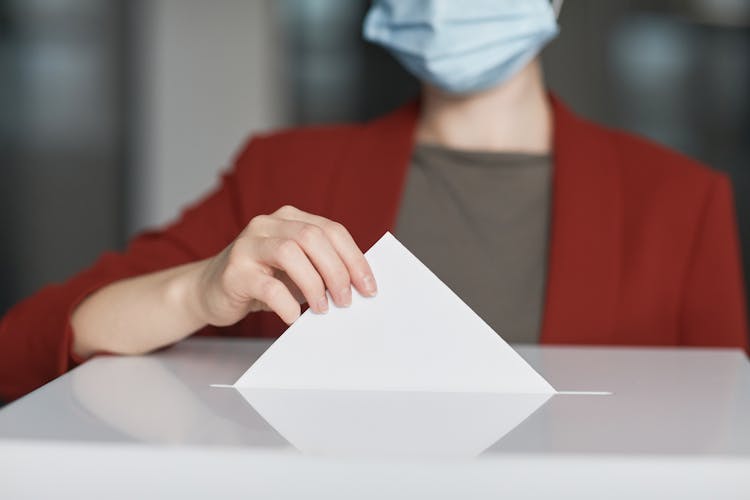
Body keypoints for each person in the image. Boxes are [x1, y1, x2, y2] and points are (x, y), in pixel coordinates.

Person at [0, 0, 747, 402]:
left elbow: (726, 454)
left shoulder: (681, 202)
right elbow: (25, 350)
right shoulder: (283, 171)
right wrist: (199, 287)